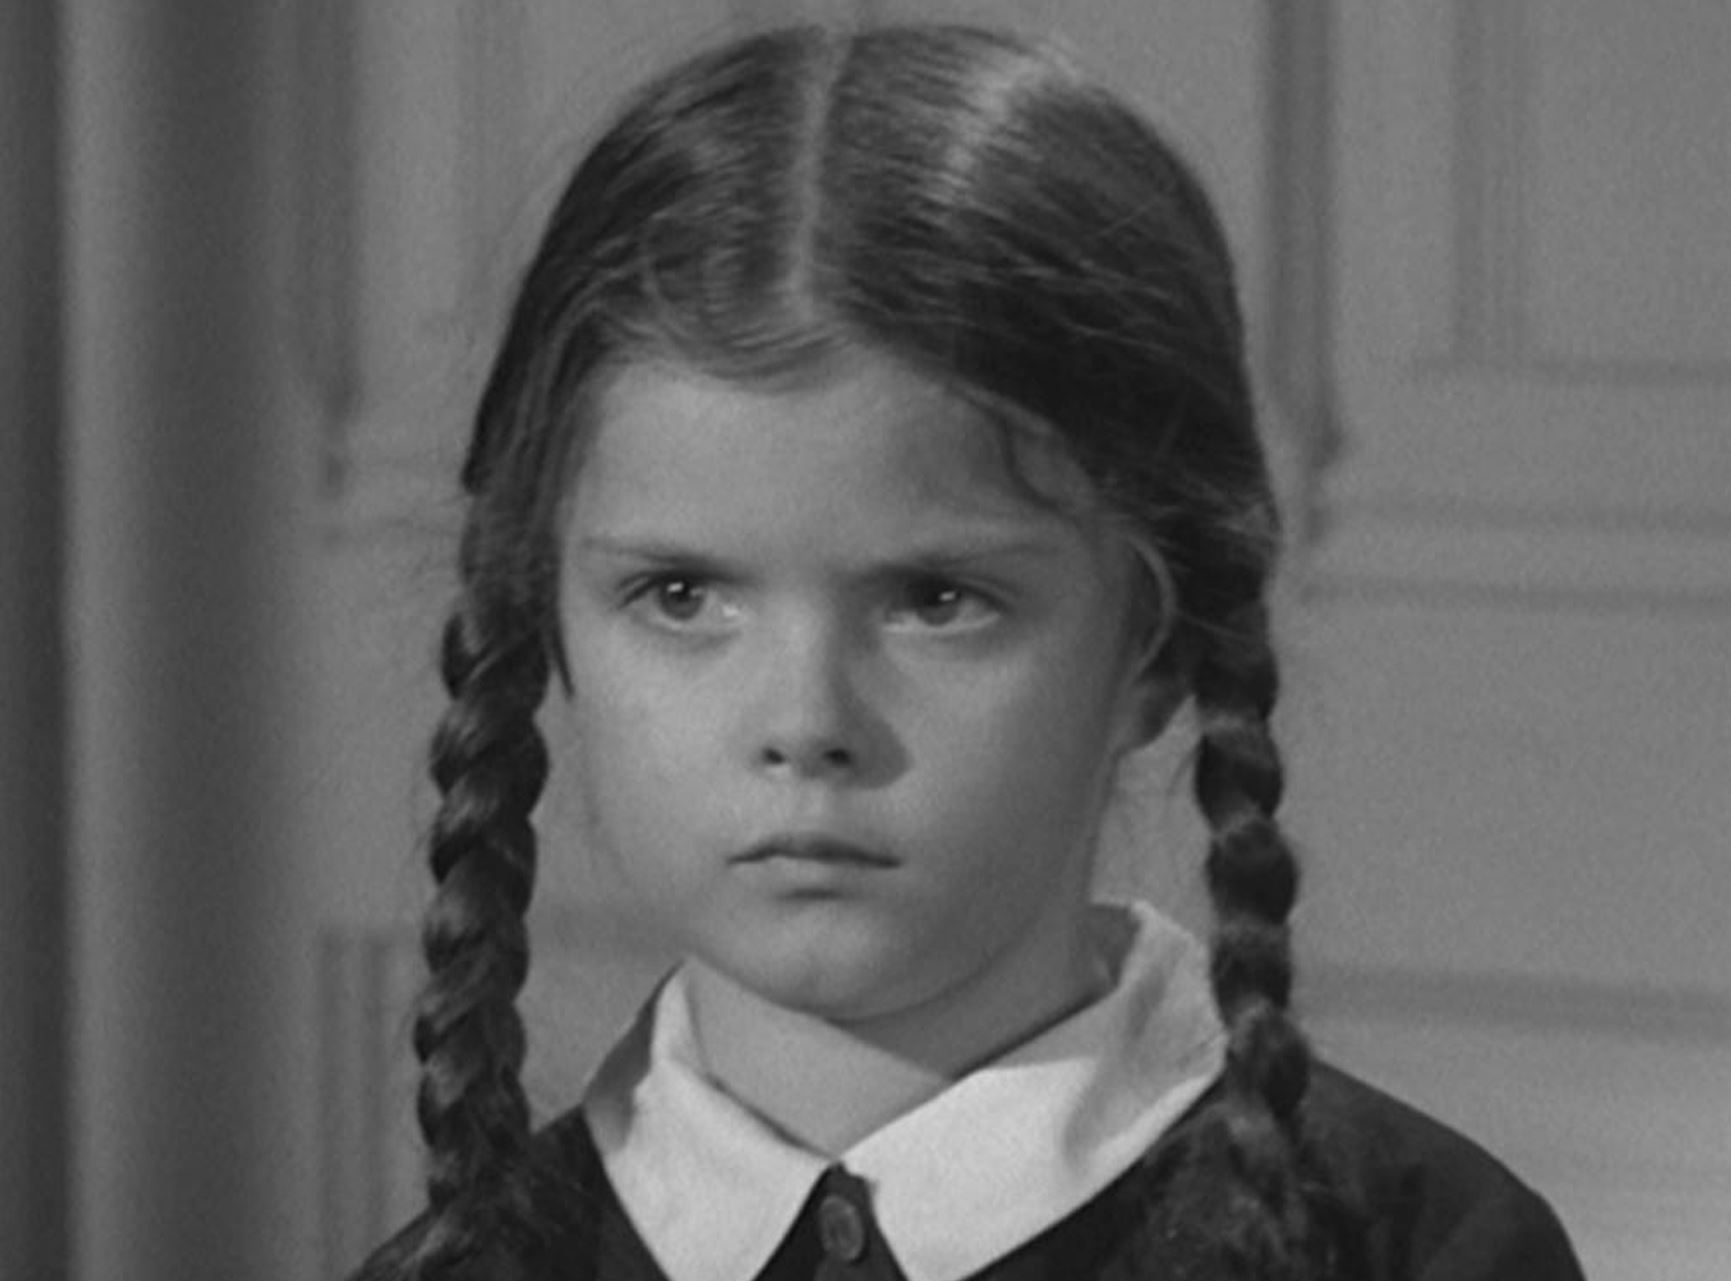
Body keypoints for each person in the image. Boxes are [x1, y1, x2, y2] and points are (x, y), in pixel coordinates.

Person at [351, 22, 1584, 1281]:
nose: (804, 721)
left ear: (1155, 646)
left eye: (936, 600)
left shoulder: (1427, 1249)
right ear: (548, 621)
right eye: (681, 596)